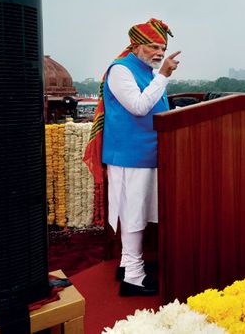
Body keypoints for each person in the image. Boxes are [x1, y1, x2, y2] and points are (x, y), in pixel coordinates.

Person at [84, 18, 180, 296]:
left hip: (147, 153)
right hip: (129, 155)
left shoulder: (147, 71)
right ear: (136, 46)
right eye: (153, 46)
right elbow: (139, 107)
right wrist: (163, 75)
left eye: (162, 47)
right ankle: (134, 279)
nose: (159, 52)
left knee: (138, 211)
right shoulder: (121, 70)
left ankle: (128, 265)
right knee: (134, 214)